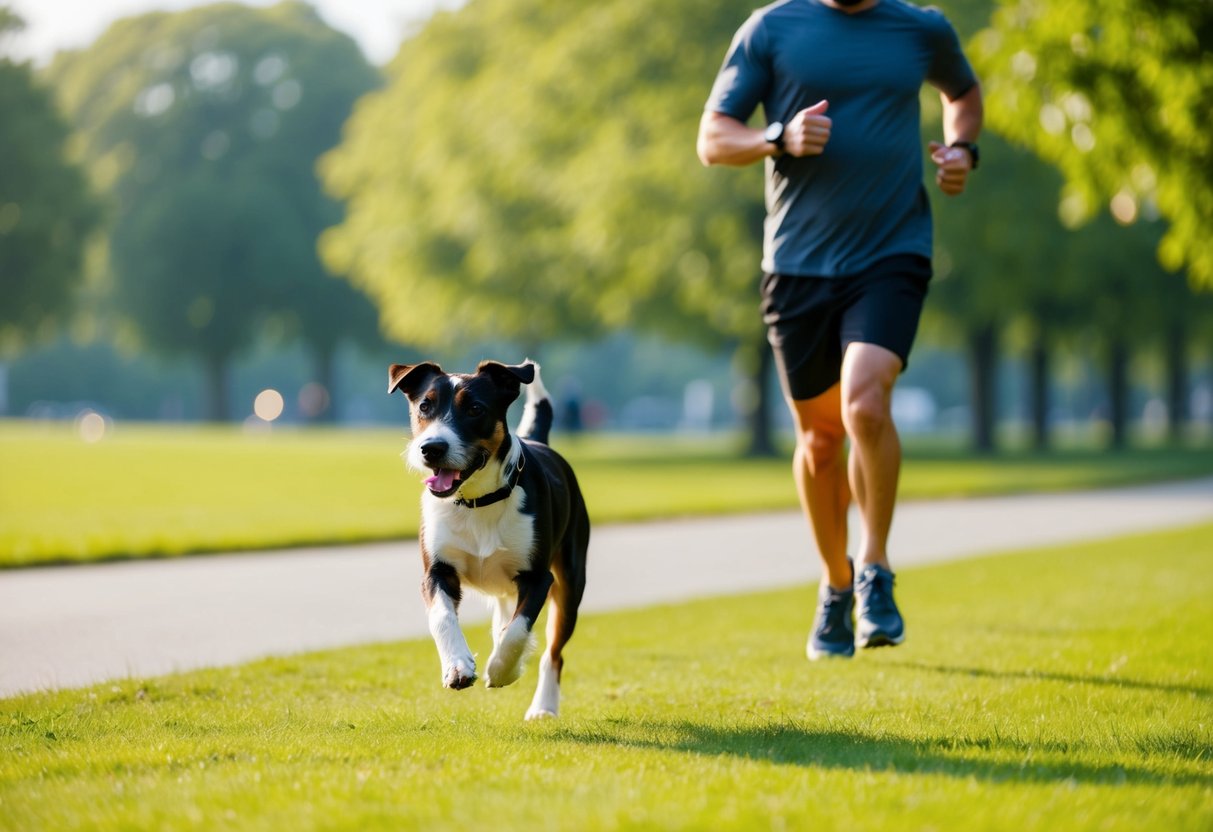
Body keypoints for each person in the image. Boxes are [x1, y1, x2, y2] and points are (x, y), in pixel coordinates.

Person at [696, 0, 982, 659]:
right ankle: (835, 585)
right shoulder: (770, 29)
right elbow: (712, 138)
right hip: (795, 265)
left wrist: (961, 147)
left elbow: (961, 91)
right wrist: (777, 138)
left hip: (892, 251)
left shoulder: (921, 28)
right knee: (820, 441)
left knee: (865, 400)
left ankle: (874, 568)